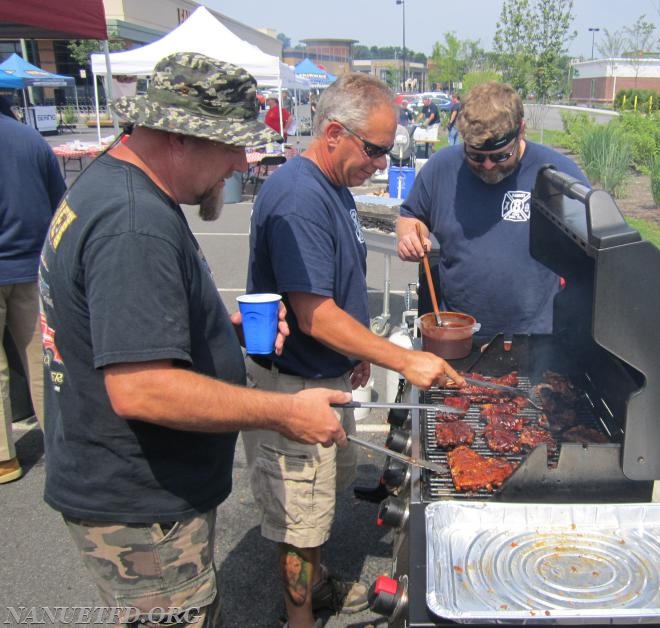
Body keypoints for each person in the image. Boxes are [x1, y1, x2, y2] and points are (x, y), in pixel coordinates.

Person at [38, 52, 351, 627]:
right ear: (181, 137)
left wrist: (213, 330)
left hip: (129, 489)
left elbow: (121, 323)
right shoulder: (134, 223)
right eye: (231, 143)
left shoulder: (114, 183)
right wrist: (283, 412)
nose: (240, 160)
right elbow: (143, 391)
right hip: (139, 505)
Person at [243, 73, 463, 628]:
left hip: (325, 378)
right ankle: (300, 619)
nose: (384, 165)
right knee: (300, 519)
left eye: (389, 152)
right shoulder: (298, 198)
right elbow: (315, 313)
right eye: (376, 150)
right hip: (292, 389)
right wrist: (404, 358)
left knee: (320, 504)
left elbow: (336, 290)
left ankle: (316, 588)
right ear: (335, 132)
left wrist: (355, 351)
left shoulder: (333, 185)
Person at [396, 82, 590, 344]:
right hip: (456, 335)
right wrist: (409, 235)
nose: (487, 165)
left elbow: (591, 251)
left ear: (521, 130)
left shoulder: (558, 174)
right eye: (476, 156)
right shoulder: (441, 168)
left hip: (533, 340)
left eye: (500, 156)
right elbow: (411, 215)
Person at [0, 95, 65, 484]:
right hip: (31, 263)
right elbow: (62, 202)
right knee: (44, 360)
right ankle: (59, 443)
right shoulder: (32, 140)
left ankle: (4, 458)